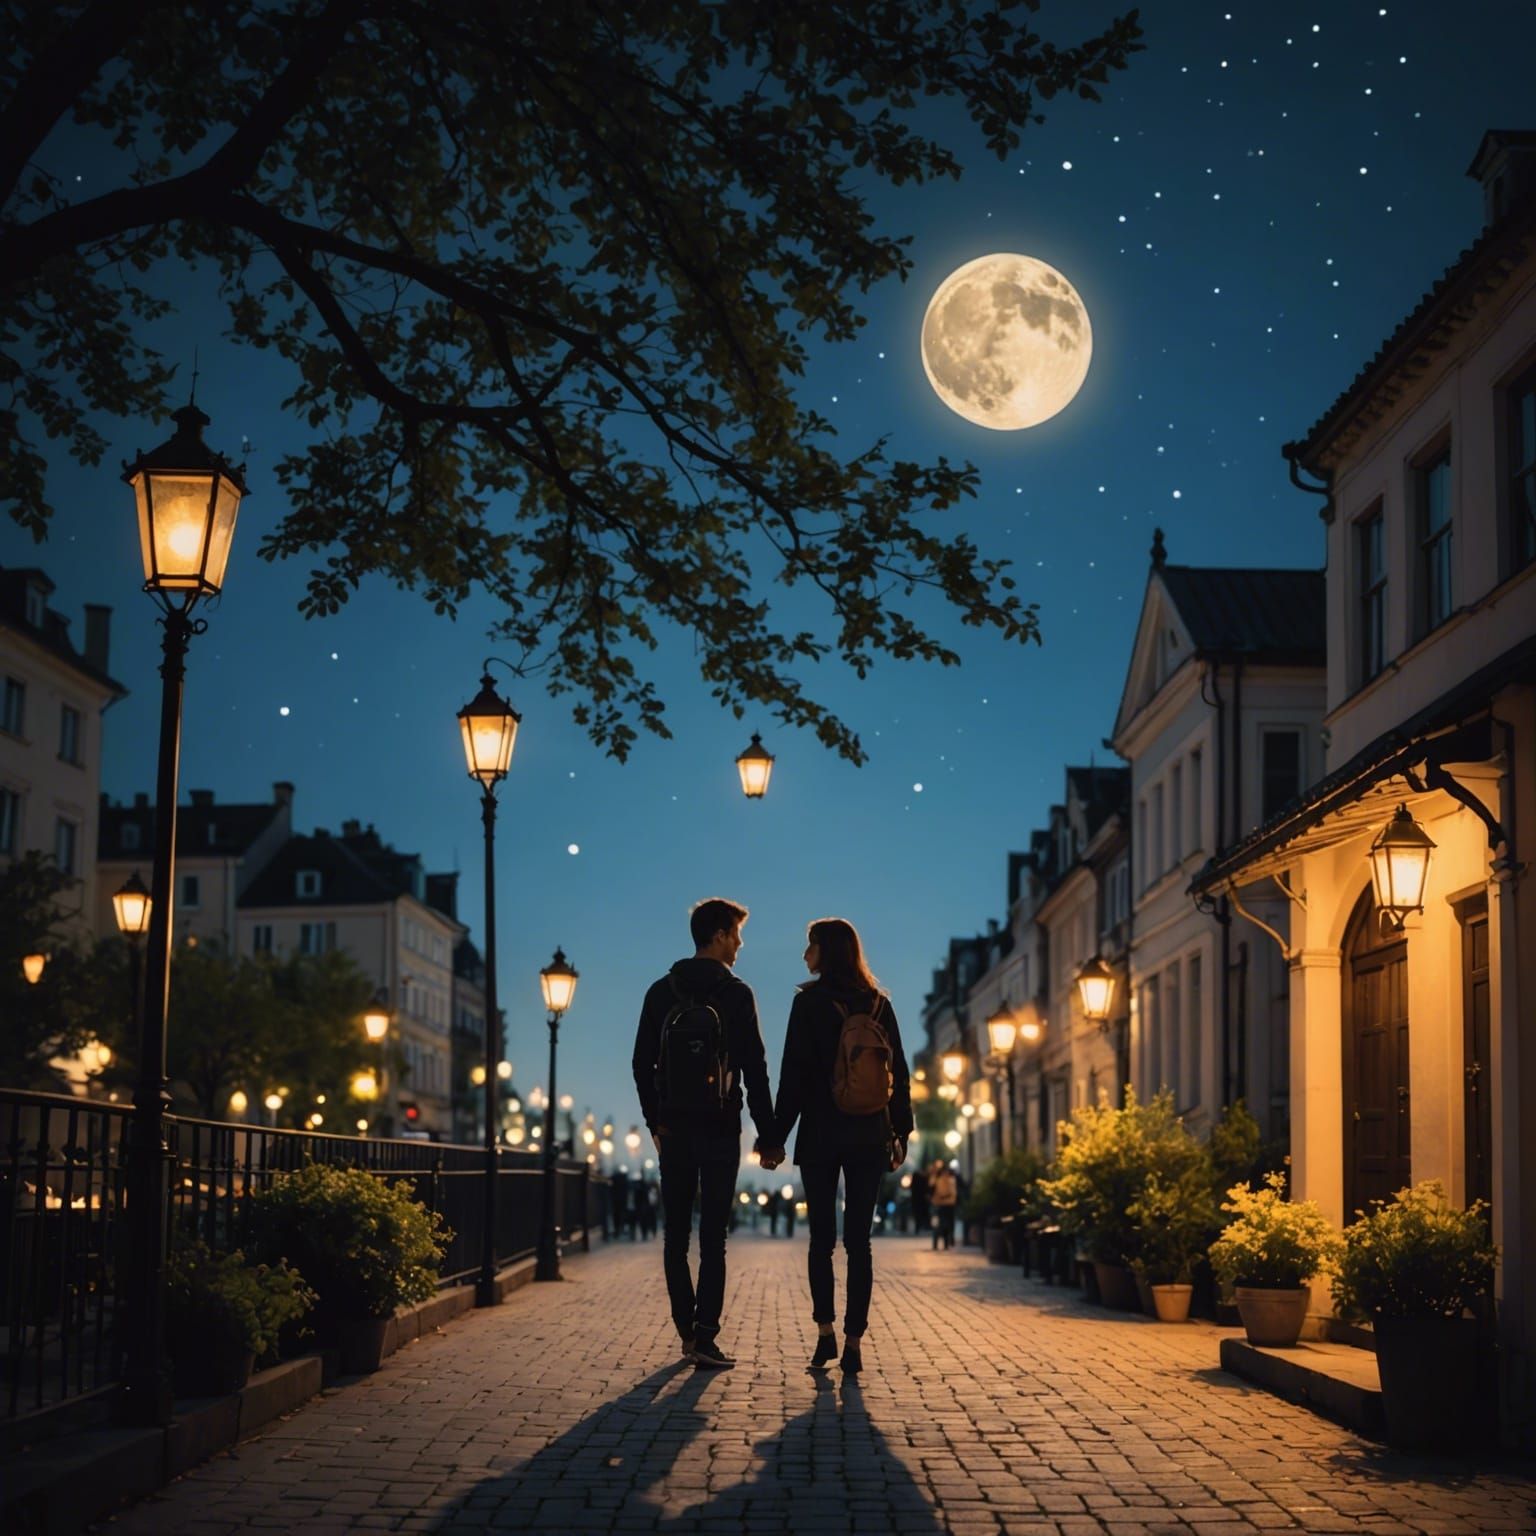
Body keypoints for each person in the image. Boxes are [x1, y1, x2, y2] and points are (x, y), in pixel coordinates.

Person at [632, 897, 779, 1369]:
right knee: (713, 1237)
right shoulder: (737, 994)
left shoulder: (660, 991)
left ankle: (685, 1329)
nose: (739, 944)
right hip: (720, 1128)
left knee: (675, 1235)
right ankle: (706, 1334)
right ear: (718, 935)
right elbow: (755, 1069)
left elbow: (640, 1064)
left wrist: (656, 1120)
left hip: (673, 1128)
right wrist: (768, 1134)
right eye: (736, 934)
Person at [772, 917, 912, 1375]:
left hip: (820, 1135)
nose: (803, 954)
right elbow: (900, 1074)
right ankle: (854, 1342)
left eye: (809, 945)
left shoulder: (808, 1003)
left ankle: (825, 1335)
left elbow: (792, 1075)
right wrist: (901, 1131)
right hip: (869, 1133)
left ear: (825, 951)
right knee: (859, 1243)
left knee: (821, 1241)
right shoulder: (878, 1004)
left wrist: (775, 1136)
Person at [930, 1159, 958, 1250]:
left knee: (939, 1225)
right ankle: (945, 1243)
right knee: (945, 1224)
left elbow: (930, 1188)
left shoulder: (938, 1179)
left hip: (941, 1204)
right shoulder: (951, 1179)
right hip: (947, 1204)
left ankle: (937, 1244)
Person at [908, 1161, 930, 1236]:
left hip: (916, 1197)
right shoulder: (925, 1177)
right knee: (921, 1213)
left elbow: (911, 1186)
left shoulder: (916, 1175)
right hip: (921, 1198)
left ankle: (918, 1227)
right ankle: (921, 1227)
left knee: (917, 1213)